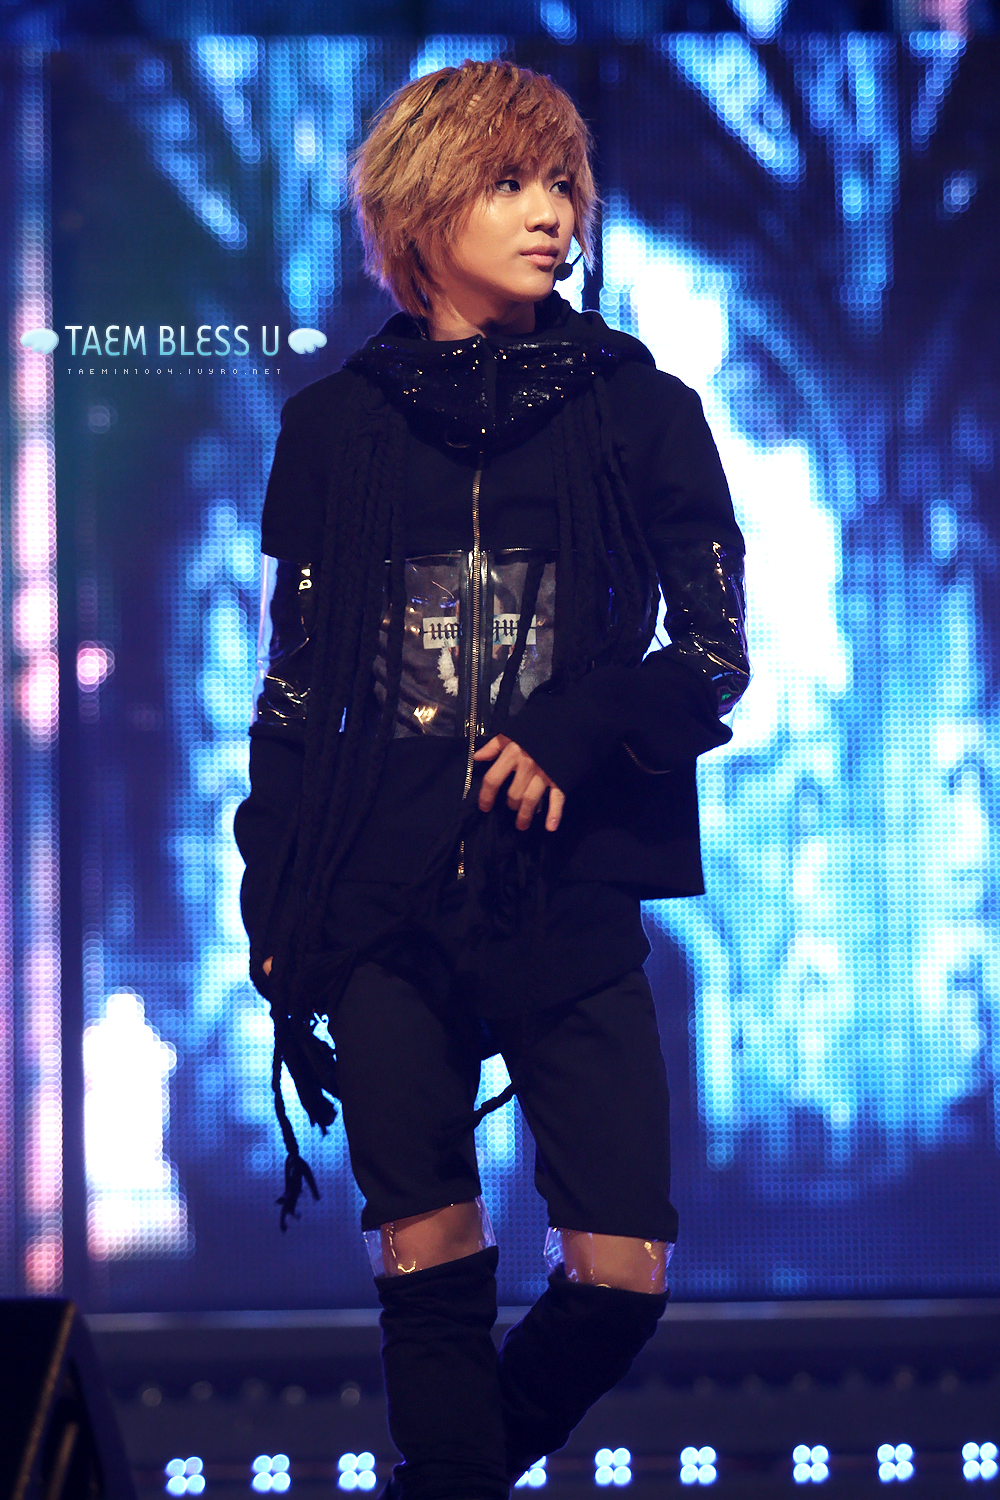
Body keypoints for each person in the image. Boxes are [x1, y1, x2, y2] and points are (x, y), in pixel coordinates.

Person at [234, 59, 749, 1500]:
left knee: (621, 1274)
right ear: (419, 208)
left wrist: (575, 730)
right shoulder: (333, 429)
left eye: (563, 183)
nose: (552, 214)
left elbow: (714, 654)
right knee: (431, 1277)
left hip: (566, 895)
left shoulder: (641, 412)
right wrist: (275, 900)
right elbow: (294, 692)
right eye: (510, 182)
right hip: (378, 905)